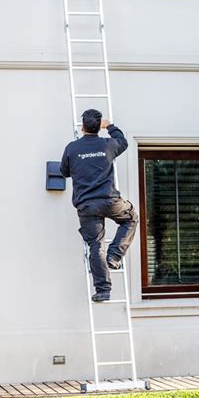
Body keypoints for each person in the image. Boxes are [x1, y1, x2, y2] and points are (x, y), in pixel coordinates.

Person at [60, 109, 138, 302]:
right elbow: (124, 142)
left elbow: (64, 171)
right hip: (109, 201)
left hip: (86, 205)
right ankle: (114, 257)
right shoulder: (108, 145)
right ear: (98, 126)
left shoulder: (71, 148)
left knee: (96, 245)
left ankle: (103, 290)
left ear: (83, 126)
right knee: (131, 218)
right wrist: (110, 125)